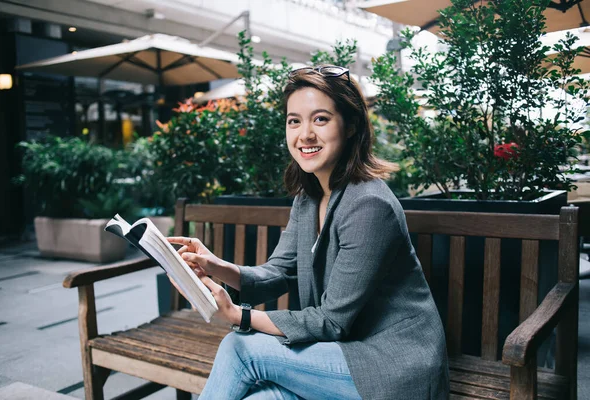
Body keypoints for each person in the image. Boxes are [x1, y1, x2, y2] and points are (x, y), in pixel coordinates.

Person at [167, 65, 449, 400]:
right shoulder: (309, 197)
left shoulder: (369, 205)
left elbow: (331, 322)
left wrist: (237, 315)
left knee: (240, 348)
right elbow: (279, 272)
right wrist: (216, 266)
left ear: (351, 125)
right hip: (335, 354)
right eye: (294, 121)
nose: (304, 134)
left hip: (390, 366)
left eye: (320, 119)